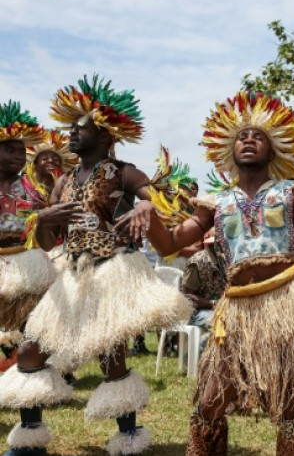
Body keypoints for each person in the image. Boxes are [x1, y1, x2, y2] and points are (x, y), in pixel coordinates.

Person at [129, 91, 294, 454]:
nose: (249, 140)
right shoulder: (216, 203)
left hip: (285, 302)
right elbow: (170, 244)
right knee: (209, 403)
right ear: (229, 149)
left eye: (258, 136)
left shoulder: (293, 193)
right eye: (241, 136)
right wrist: (148, 210)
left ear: (274, 149)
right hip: (236, 309)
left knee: (287, 403)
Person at [0, 77, 192, 456]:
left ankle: (129, 438)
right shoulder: (65, 182)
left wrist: (144, 206)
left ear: (104, 134)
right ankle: (30, 438)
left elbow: (152, 196)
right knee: (28, 353)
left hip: (111, 272)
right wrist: (47, 218)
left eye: (79, 127)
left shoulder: (124, 171)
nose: (70, 133)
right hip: (70, 278)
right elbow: (43, 242)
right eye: (70, 127)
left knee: (112, 356)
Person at [0, 103, 53, 353]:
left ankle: (30, 366)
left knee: (30, 323)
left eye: (21, 151)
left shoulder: (31, 191)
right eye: (10, 150)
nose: (19, 156)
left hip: (25, 263)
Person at [180, 230, 227, 353]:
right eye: (213, 243)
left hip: (224, 307)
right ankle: (201, 360)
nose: (217, 246)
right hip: (200, 311)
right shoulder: (197, 261)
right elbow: (187, 296)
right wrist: (213, 303)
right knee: (216, 323)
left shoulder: (226, 259)